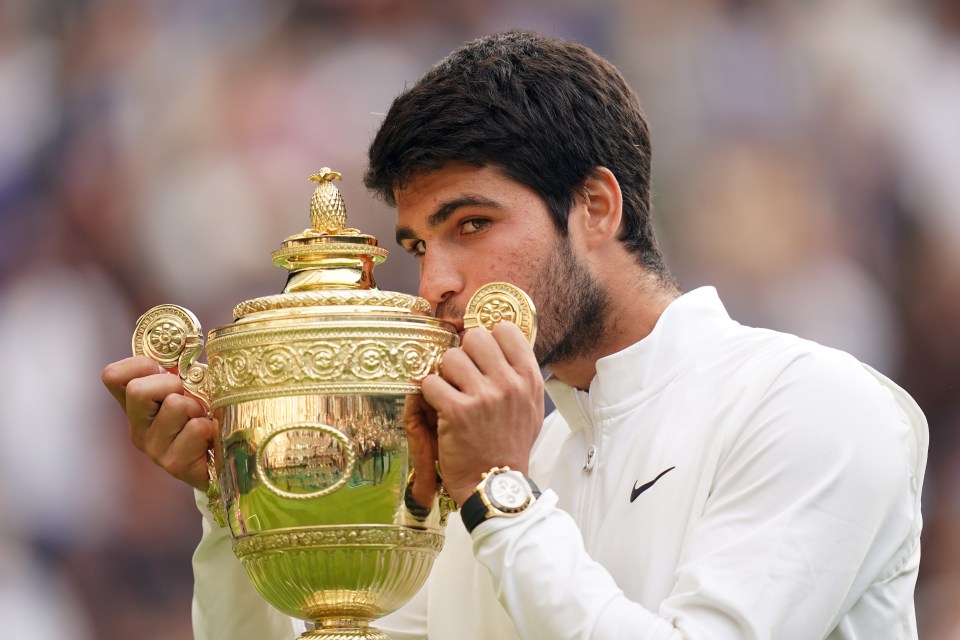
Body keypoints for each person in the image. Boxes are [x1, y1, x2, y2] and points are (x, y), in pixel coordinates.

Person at [102, 30, 928, 639]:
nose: (435, 284)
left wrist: (500, 495)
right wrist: (237, 497)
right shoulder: (491, 458)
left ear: (596, 207)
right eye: (422, 244)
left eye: (472, 223)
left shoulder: (814, 404)